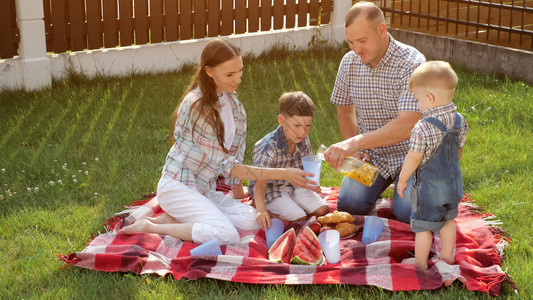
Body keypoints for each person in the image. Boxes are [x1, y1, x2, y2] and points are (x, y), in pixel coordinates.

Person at [120, 39, 316, 245]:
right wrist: (284, 174)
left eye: (240, 71)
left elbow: (234, 151)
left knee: (254, 219)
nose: (238, 79)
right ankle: (152, 226)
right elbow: (228, 165)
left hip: (204, 189)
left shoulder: (232, 101)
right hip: (178, 186)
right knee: (226, 234)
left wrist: (236, 185)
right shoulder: (197, 106)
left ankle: (179, 218)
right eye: (230, 74)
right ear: (209, 71)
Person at [323, 1, 426, 223]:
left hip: (413, 155)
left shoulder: (411, 63)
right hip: (373, 156)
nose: (356, 49)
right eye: (350, 42)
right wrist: (355, 153)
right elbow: (344, 109)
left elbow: (407, 125)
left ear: (381, 30)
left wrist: (355, 142)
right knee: (350, 205)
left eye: (362, 41)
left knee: (407, 212)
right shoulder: (349, 62)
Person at [397, 61, 468, 269]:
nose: (418, 104)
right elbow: (458, 150)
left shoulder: (422, 127)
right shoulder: (459, 120)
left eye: (418, 99)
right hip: (453, 185)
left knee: (423, 227)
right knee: (448, 221)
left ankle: (420, 263)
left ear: (429, 97)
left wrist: (402, 180)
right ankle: (447, 257)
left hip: (429, 190)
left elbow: (414, 157)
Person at [249, 91, 329, 230]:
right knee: (298, 216)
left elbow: (305, 169)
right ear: (282, 121)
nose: (303, 132)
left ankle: (292, 202)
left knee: (322, 210)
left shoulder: (303, 139)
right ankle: (269, 210)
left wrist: (311, 184)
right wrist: (261, 210)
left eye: (307, 126)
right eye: (297, 126)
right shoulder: (269, 146)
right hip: (270, 189)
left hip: (295, 185)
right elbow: (259, 184)